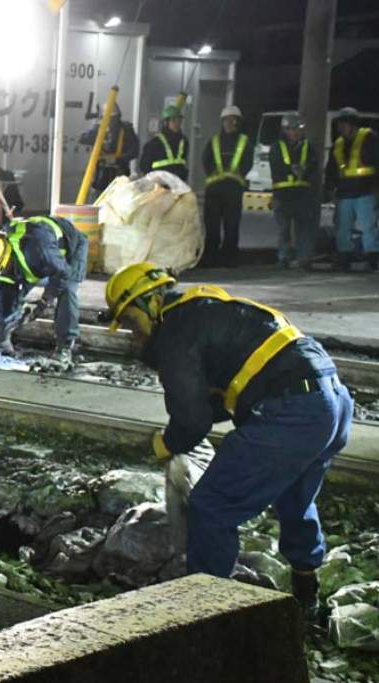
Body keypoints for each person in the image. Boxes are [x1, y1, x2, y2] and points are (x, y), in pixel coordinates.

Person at [104, 262, 353, 622]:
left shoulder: (175, 331)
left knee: (211, 507)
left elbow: (193, 419)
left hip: (291, 410)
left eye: (130, 321)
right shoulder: (208, 310)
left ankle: (205, 618)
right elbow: (224, 399)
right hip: (331, 402)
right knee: (295, 498)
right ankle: (306, 594)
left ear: (148, 303)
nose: (133, 334)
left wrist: (167, 443)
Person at [0, 214, 88, 366]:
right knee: (7, 288)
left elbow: (62, 274)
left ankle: (64, 348)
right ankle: (1, 339)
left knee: (66, 291)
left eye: (2, 271)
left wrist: (45, 301)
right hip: (34, 257)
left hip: (71, 251)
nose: (0, 274)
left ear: (9, 261)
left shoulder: (41, 248)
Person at [325, 107, 379, 271]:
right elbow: (331, 169)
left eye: (343, 124)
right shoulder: (338, 144)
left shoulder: (370, 138)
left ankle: (373, 258)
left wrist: (376, 189)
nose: (340, 127)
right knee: (342, 228)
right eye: (340, 124)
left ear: (352, 124)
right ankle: (344, 258)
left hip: (365, 192)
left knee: (368, 227)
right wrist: (329, 190)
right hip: (344, 193)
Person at [201, 105, 252, 267]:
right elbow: (205, 160)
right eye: (226, 121)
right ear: (222, 122)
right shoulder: (214, 141)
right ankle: (211, 257)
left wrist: (239, 174)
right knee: (212, 226)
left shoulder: (244, 141)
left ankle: (229, 258)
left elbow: (248, 162)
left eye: (232, 120)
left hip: (233, 190)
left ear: (238, 122)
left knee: (232, 225)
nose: (229, 123)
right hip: (214, 190)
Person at [269, 113, 318, 269]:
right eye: (292, 129)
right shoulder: (277, 146)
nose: (295, 132)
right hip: (282, 194)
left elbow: (314, 164)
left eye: (298, 128)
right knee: (283, 229)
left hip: (302, 193)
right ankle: (283, 258)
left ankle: (304, 259)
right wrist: (291, 169)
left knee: (303, 228)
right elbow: (275, 166)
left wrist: (305, 169)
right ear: (285, 130)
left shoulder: (307, 146)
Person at [78, 104, 140, 194]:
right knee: (99, 202)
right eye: (109, 119)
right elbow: (82, 138)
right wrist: (98, 128)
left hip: (120, 174)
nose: (112, 123)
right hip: (101, 175)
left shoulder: (126, 129)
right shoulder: (99, 129)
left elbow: (134, 151)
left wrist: (117, 160)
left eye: (114, 118)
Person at [139, 104, 188, 182]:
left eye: (179, 120)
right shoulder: (155, 143)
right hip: (160, 184)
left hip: (178, 183)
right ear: (166, 122)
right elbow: (144, 166)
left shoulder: (183, 141)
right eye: (173, 120)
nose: (177, 123)